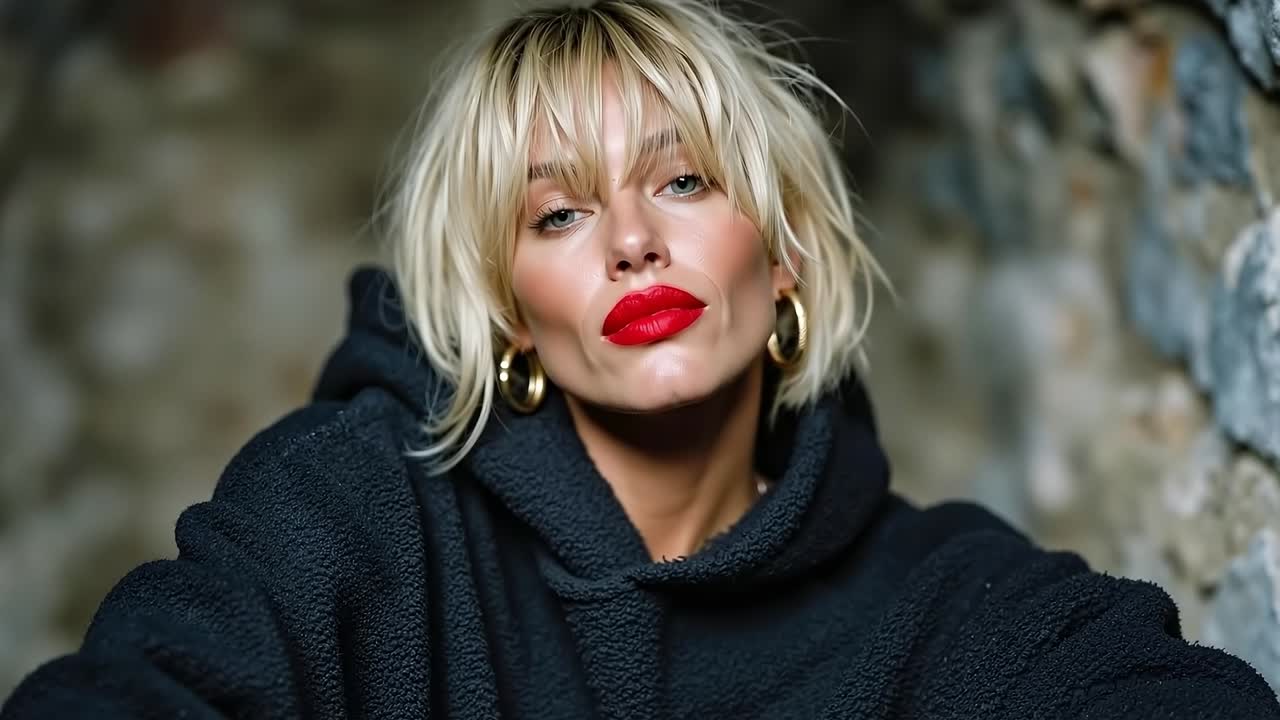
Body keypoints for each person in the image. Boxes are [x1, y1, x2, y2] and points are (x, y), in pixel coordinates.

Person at [4, 0, 1279, 717]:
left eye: (680, 180)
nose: (626, 241)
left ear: (783, 256)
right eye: (555, 214)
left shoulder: (947, 601)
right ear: (509, 312)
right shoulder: (350, 512)